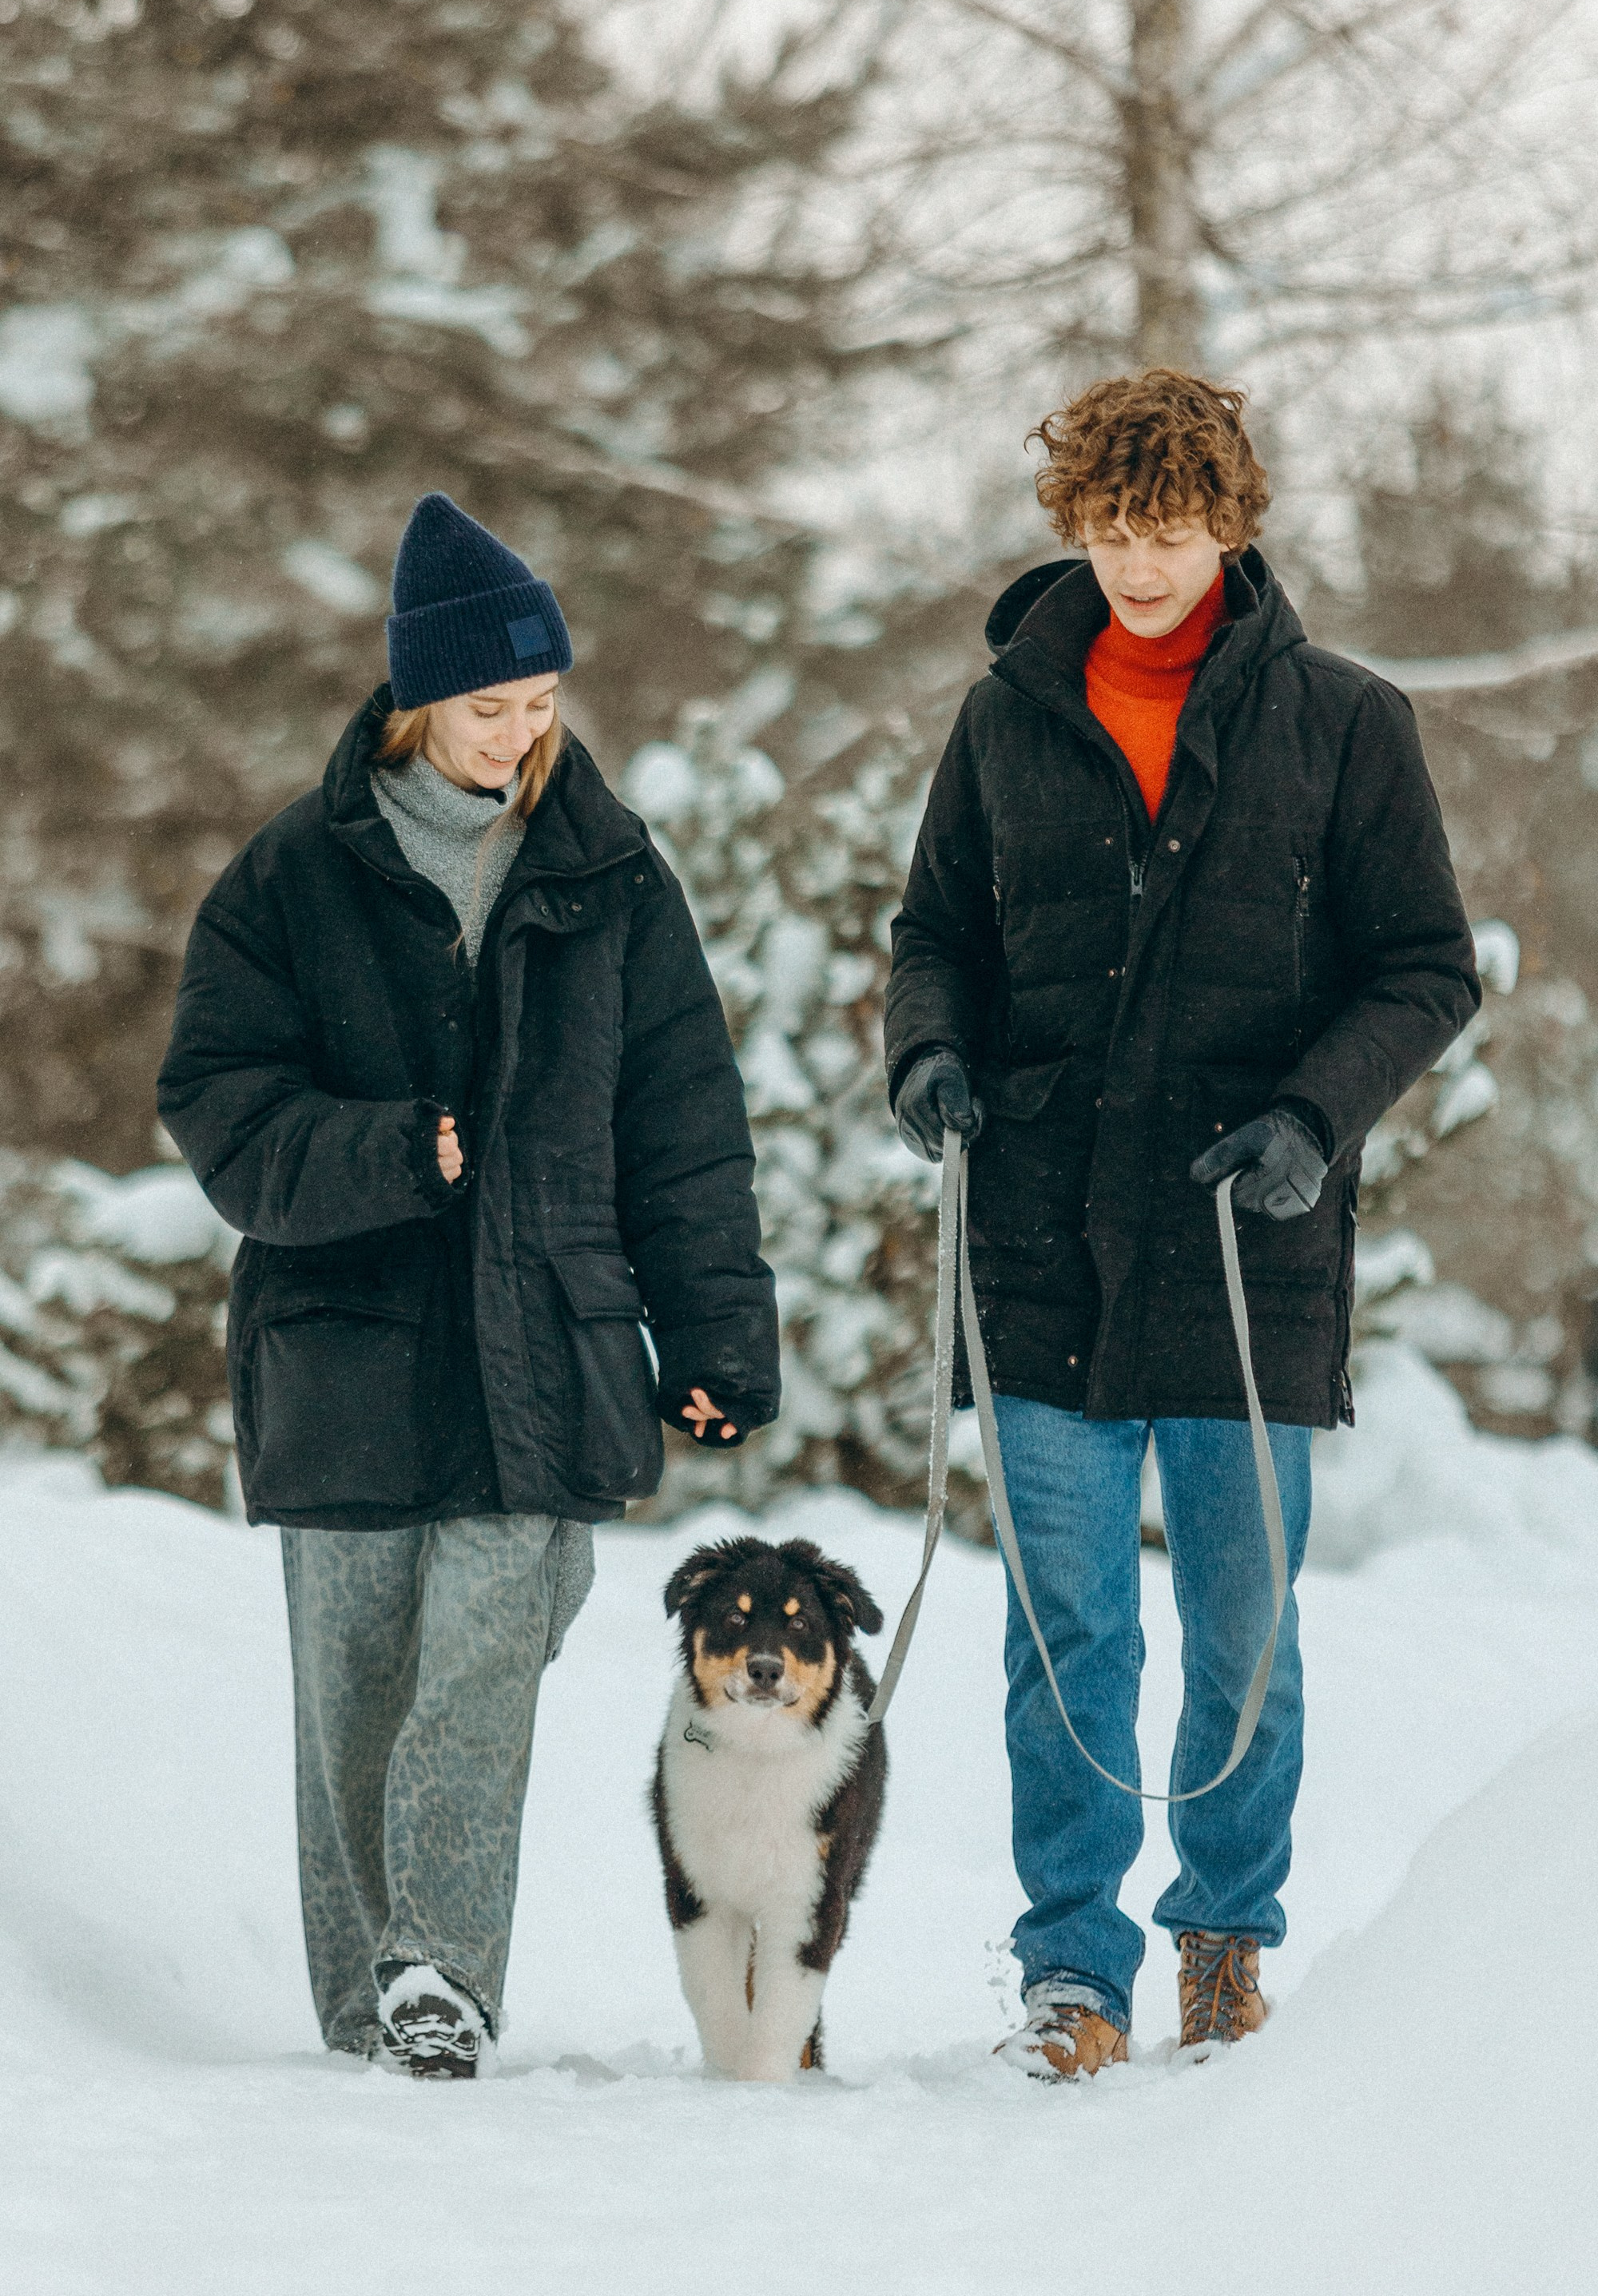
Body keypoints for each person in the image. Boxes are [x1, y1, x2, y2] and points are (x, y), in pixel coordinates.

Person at [884, 371, 1478, 2076]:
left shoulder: (1346, 722)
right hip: (1041, 1235)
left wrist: (1312, 1119)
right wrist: (926, 1052)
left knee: (1243, 1629)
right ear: (1070, 525)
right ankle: (1071, 1969)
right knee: (1061, 1629)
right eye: (1109, 532)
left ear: (1231, 522)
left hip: (1245, 1239)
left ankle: (1223, 1939)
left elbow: (1423, 966)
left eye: (1169, 531)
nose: (1138, 567)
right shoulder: (1007, 714)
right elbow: (934, 932)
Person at [158, 494, 779, 2079]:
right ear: (418, 699)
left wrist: (711, 1338)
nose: (520, 734)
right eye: (492, 704)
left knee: (486, 1657)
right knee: (354, 1694)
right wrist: (391, 1155)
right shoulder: (289, 880)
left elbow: (687, 1135)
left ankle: (438, 1972)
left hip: (546, 1345)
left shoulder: (612, 876)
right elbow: (220, 1112)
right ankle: (369, 2007)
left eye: (542, 701)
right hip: (341, 1349)